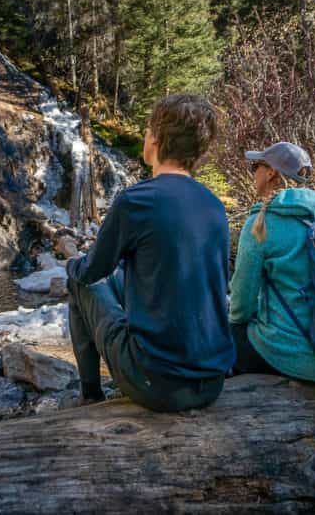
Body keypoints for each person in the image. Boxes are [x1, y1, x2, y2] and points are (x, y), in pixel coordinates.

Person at [65, 94, 235, 411]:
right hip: (213, 382)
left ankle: (89, 395)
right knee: (119, 280)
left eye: (146, 130)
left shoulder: (136, 201)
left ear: (155, 139)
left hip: (157, 384)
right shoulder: (214, 205)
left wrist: (71, 264)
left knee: (78, 283)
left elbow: (92, 271)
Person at [228, 142, 315, 382]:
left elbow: (241, 306)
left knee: (226, 330)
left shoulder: (262, 222)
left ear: (270, 172)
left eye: (256, 166)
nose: (253, 173)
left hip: (291, 358)